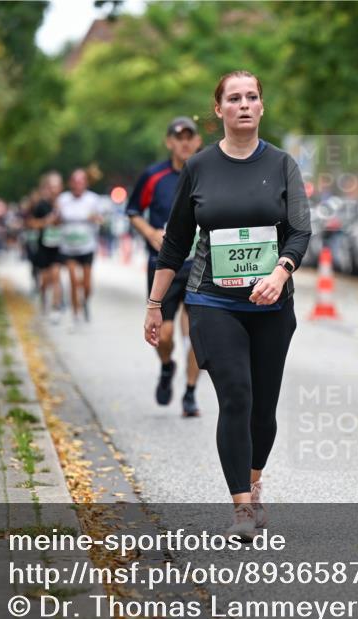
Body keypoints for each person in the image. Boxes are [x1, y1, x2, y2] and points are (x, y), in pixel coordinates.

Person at [144, 71, 311, 538]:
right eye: (233, 98)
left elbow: (300, 230)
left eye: (252, 97)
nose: (243, 104)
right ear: (218, 110)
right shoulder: (198, 167)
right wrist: (156, 304)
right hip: (212, 300)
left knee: (264, 406)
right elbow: (175, 241)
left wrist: (280, 273)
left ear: (262, 107)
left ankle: (255, 482)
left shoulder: (282, 165)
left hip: (272, 306)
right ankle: (240, 505)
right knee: (236, 395)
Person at [128, 116, 203, 416]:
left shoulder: (207, 173)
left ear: (197, 141)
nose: (184, 142)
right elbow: (132, 210)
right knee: (166, 335)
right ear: (169, 142)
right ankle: (167, 365)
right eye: (178, 137)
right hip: (164, 265)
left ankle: (190, 393)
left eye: (190, 137)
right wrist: (149, 233)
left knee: (198, 334)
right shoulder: (154, 175)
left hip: (200, 265)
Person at [56, 169, 102, 331]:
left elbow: (101, 219)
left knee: (87, 285)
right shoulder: (63, 199)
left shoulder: (93, 199)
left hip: (87, 246)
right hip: (68, 247)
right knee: (74, 281)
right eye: (75, 181)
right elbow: (57, 219)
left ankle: (85, 301)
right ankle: (76, 316)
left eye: (81, 181)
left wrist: (94, 218)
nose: (77, 184)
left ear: (85, 183)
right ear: (70, 183)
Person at [31, 173, 65, 320]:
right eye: (51, 186)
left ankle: (56, 307)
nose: (54, 189)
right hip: (44, 246)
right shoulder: (41, 205)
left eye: (56, 186)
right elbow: (32, 224)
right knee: (45, 280)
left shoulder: (64, 203)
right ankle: (43, 297)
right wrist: (47, 221)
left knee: (56, 276)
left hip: (58, 246)